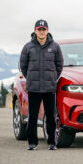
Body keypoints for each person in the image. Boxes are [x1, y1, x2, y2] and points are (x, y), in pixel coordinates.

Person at [20, 19, 63, 150]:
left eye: (44, 29)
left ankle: (52, 142)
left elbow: (59, 65)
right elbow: (24, 66)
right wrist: (32, 78)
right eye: (39, 29)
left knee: (50, 116)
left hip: (49, 88)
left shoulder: (55, 47)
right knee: (32, 117)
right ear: (35, 31)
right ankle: (32, 143)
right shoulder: (28, 47)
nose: (42, 32)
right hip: (34, 88)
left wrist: (53, 77)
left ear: (47, 31)